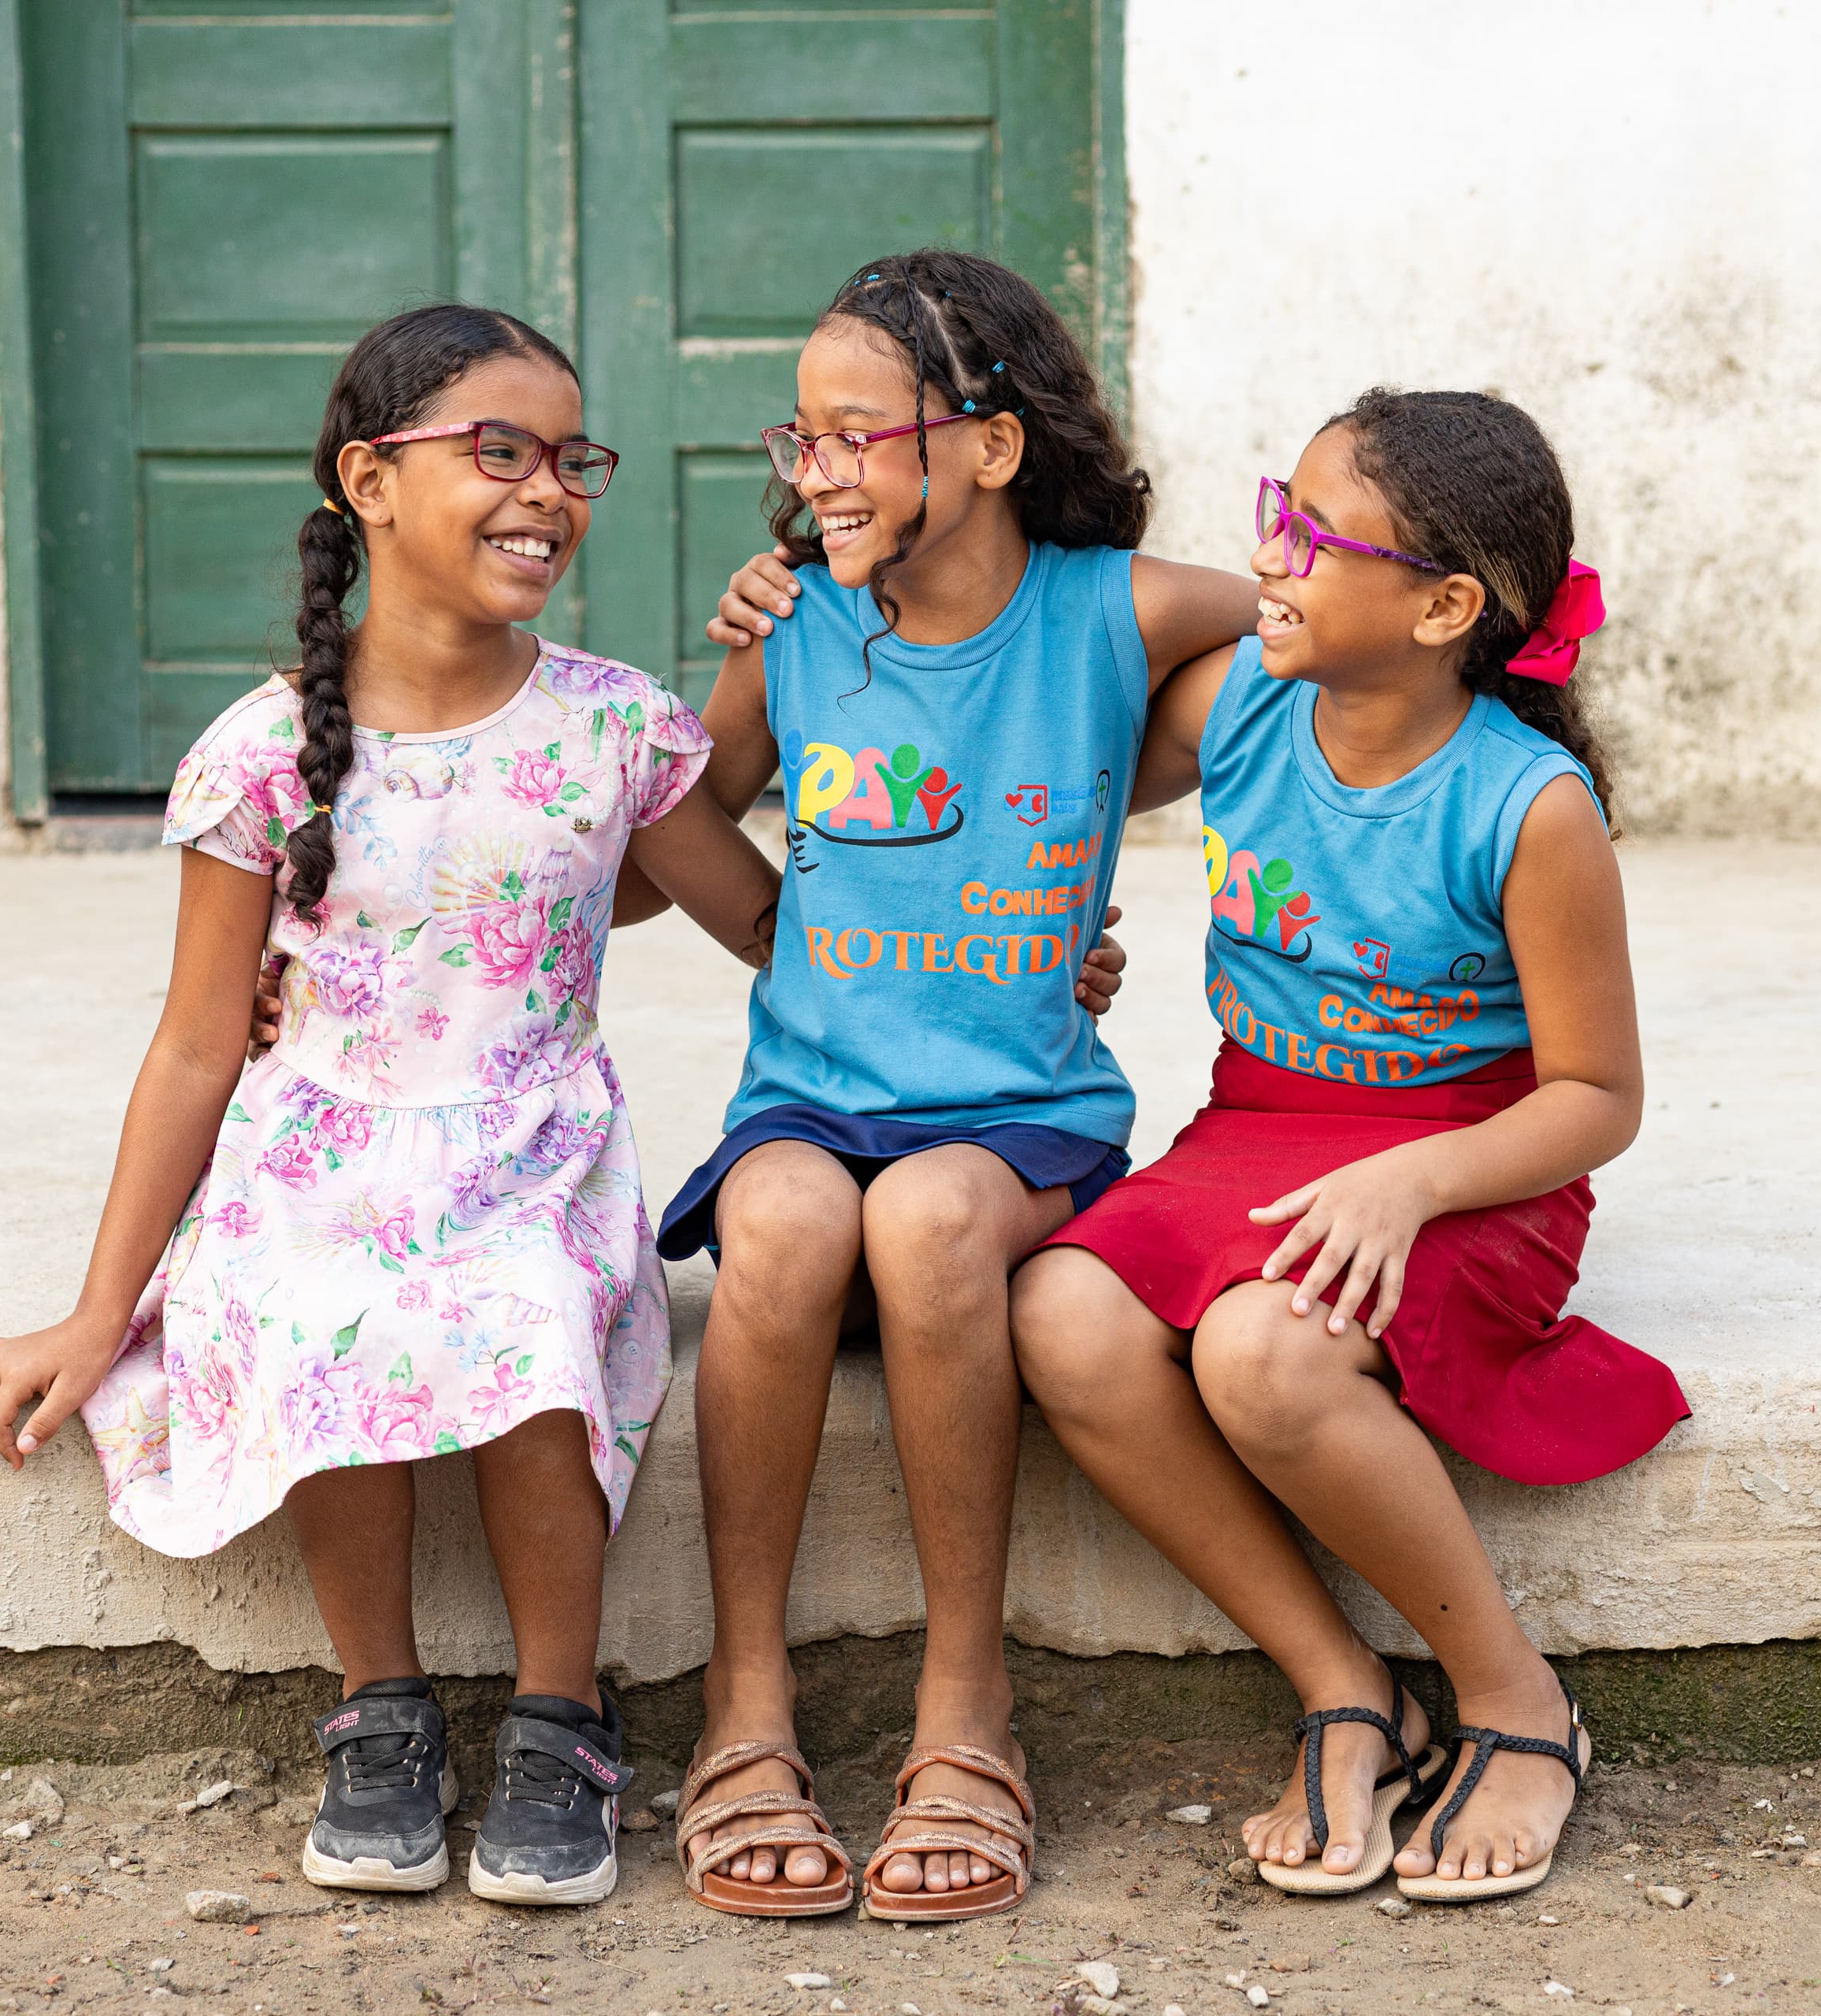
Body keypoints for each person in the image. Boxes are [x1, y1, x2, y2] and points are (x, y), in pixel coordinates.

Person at [0, 302, 783, 1910]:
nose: (548, 490)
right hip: (320, 1146)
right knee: (307, 1301)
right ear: (372, 481)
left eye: (569, 459)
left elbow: (763, 919)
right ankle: (379, 1708)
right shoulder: (259, 756)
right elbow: (191, 1046)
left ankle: (559, 1715)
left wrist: (981, 937)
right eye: (496, 452)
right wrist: (100, 1311)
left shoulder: (607, 723)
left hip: (530, 1145)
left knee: (522, 1323)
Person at [631, 249, 1259, 1922]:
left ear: (988, 445)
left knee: (921, 1219)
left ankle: (965, 1701)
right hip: (812, 1095)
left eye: (859, 433)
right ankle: (744, 1700)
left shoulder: (1114, 607)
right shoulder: (800, 626)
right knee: (773, 1218)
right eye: (803, 437)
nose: (815, 470)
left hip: (1021, 1113)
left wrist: (1094, 837)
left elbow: (1313, 624)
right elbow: (659, 831)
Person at [1013, 388, 1691, 1906]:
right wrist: (1050, 920)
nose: (1272, 557)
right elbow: (1029, 705)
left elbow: (1598, 1096)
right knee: (1056, 1311)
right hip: (1257, 1123)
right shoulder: (1242, 698)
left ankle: (1512, 1697)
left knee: (1262, 1354)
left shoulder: (1528, 807)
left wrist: (1411, 1180)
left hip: (1468, 1156)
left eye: (1317, 537)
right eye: (1279, 509)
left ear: (1447, 605)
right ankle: (1346, 1688)